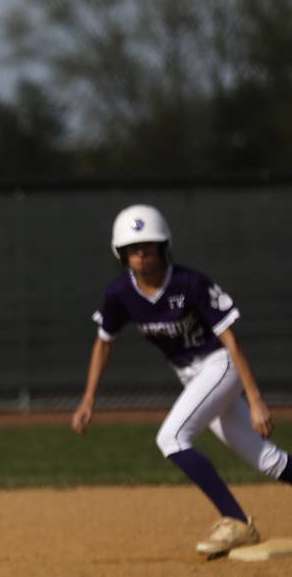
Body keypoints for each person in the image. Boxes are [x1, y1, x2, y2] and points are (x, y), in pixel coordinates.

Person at [71, 203, 292, 558]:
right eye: (132, 249)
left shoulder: (191, 283)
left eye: (149, 246)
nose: (141, 255)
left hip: (219, 364)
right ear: (120, 254)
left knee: (172, 437)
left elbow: (231, 340)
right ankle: (238, 519)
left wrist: (255, 400)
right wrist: (87, 400)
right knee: (266, 459)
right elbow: (103, 343)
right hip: (191, 375)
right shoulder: (120, 294)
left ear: (164, 246)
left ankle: (235, 521)